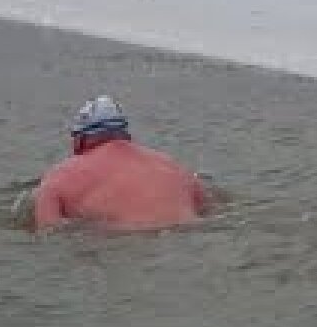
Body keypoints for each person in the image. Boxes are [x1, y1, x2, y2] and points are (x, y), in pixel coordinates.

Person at [32, 95, 210, 231]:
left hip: (121, 244)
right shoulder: (174, 167)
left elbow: (49, 232)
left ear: (79, 139)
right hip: (184, 237)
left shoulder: (57, 180)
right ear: (126, 134)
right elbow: (208, 210)